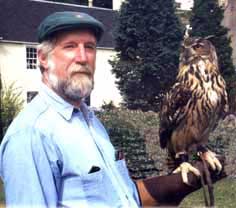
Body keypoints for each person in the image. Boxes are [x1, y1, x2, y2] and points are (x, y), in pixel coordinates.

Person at [0, 11, 225, 207]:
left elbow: (119, 198)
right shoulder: (31, 136)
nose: (82, 57)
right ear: (42, 58)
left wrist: (172, 186)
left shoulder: (90, 122)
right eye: (69, 47)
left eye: (89, 47)